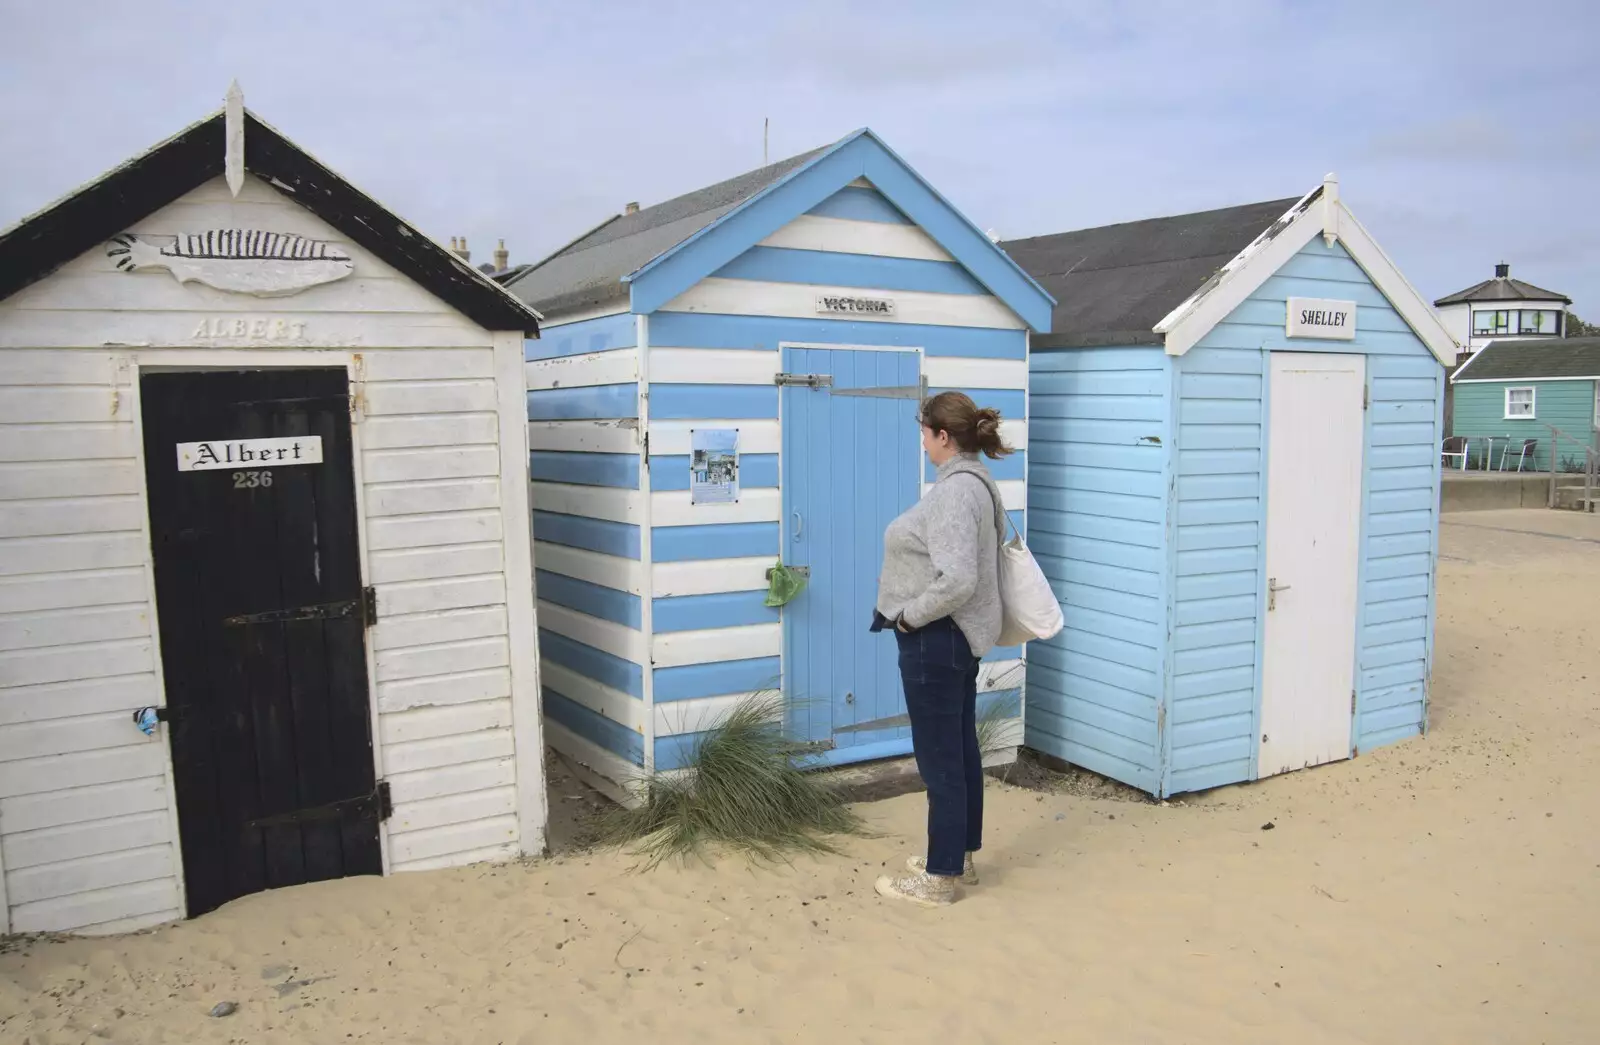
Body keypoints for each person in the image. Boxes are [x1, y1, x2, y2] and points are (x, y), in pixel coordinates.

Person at [870, 390, 1010, 908]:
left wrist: (908, 616)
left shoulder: (955, 493)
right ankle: (960, 855)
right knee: (960, 748)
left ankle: (939, 876)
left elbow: (957, 579)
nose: (923, 443)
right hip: (956, 638)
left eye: (925, 434)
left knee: (940, 759)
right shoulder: (976, 481)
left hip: (938, 636)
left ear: (943, 437)